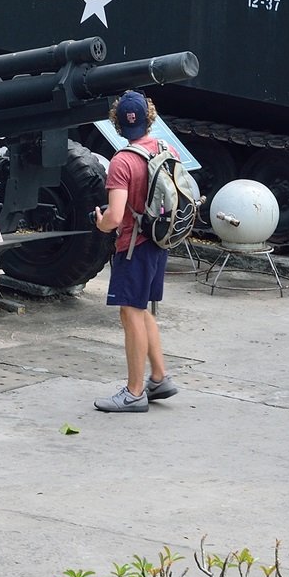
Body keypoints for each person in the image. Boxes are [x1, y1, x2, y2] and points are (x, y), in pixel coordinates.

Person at [91, 90, 178, 413]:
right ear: (149, 118)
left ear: (116, 123)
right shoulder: (165, 149)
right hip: (159, 241)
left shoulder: (122, 161)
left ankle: (134, 392)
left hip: (132, 247)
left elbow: (114, 217)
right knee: (142, 310)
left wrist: (101, 224)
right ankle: (159, 376)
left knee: (129, 313)